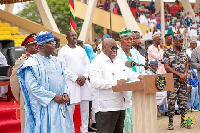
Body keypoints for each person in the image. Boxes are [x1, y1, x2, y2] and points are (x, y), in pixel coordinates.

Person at [17, 31, 74, 133]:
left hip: (60, 105)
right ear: (42, 46)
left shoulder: (58, 62)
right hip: (43, 107)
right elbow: (33, 87)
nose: (54, 45)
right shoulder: (32, 63)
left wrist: (65, 93)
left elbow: (64, 80)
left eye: (53, 42)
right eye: (50, 43)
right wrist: (53, 96)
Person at [89, 38, 141, 133]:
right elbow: (95, 82)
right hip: (106, 108)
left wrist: (139, 76)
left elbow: (127, 72)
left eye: (116, 48)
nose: (114, 50)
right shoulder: (97, 62)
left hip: (120, 106)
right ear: (103, 48)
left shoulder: (118, 61)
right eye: (112, 48)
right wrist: (115, 83)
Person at [58, 31, 91, 133]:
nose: (74, 37)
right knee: (70, 109)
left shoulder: (81, 50)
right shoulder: (63, 51)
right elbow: (62, 67)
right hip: (71, 83)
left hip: (84, 83)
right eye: (71, 36)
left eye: (75, 36)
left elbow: (88, 64)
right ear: (67, 37)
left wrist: (85, 76)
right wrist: (76, 78)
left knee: (85, 110)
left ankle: (84, 130)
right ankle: (69, 130)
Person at [116, 28, 145, 133]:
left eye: (131, 39)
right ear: (120, 40)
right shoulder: (117, 55)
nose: (129, 42)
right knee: (126, 119)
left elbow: (142, 68)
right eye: (126, 39)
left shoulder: (136, 53)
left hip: (139, 89)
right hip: (125, 91)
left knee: (138, 116)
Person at [10, 33, 38, 133]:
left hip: (41, 98)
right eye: (34, 45)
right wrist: (19, 96)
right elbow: (14, 80)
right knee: (27, 125)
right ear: (26, 47)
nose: (37, 47)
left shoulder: (43, 59)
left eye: (37, 44)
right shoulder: (22, 61)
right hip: (27, 96)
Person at [163, 34, 189, 130]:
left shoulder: (184, 51)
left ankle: (183, 121)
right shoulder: (167, 52)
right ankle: (170, 122)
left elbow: (187, 63)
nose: (182, 43)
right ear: (174, 41)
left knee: (183, 102)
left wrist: (185, 74)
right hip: (172, 80)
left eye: (182, 41)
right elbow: (166, 67)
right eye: (180, 41)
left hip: (183, 81)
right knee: (171, 102)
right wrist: (179, 74)